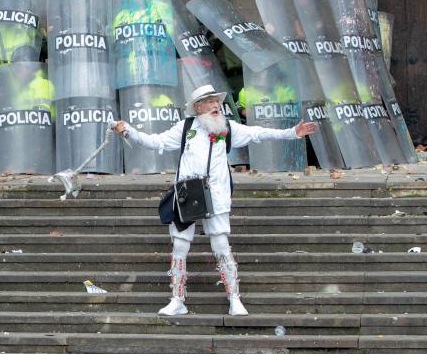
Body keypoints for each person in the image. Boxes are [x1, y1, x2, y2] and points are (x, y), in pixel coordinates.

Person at [112, 84, 317, 317]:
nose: (215, 105)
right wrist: (127, 130)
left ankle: (234, 298)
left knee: (221, 245)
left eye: (216, 101)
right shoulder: (185, 127)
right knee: (179, 245)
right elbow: (154, 141)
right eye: (209, 101)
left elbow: (258, 133)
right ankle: (177, 299)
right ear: (197, 106)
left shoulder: (227, 127)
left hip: (217, 194)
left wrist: (292, 132)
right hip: (188, 193)